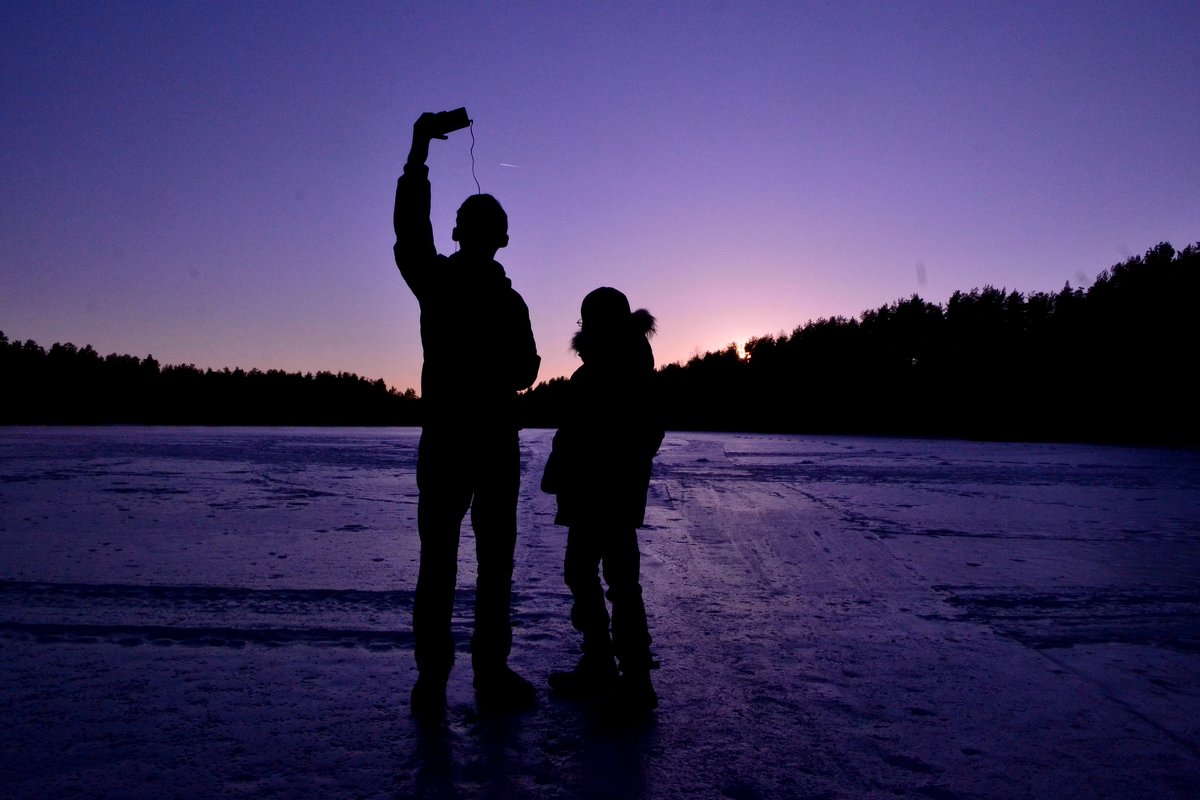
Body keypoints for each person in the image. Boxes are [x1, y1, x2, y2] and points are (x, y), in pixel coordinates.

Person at [393, 111, 541, 719]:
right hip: (479, 447)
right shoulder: (494, 296)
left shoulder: (445, 284)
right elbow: (528, 371)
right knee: (485, 564)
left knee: (450, 565)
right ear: (499, 239)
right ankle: (479, 672)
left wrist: (418, 153)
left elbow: (409, 233)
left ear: (459, 233)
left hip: (465, 446)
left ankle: (443, 678)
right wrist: (418, 152)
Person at [541, 287, 663, 715]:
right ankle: (605, 664)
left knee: (616, 580)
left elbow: (640, 434)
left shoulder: (622, 367)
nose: (582, 327)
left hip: (605, 495)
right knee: (587, 573)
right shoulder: (612, 365)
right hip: (597, 493)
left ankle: (632, 678)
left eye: (586, 320)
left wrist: (600, 466)